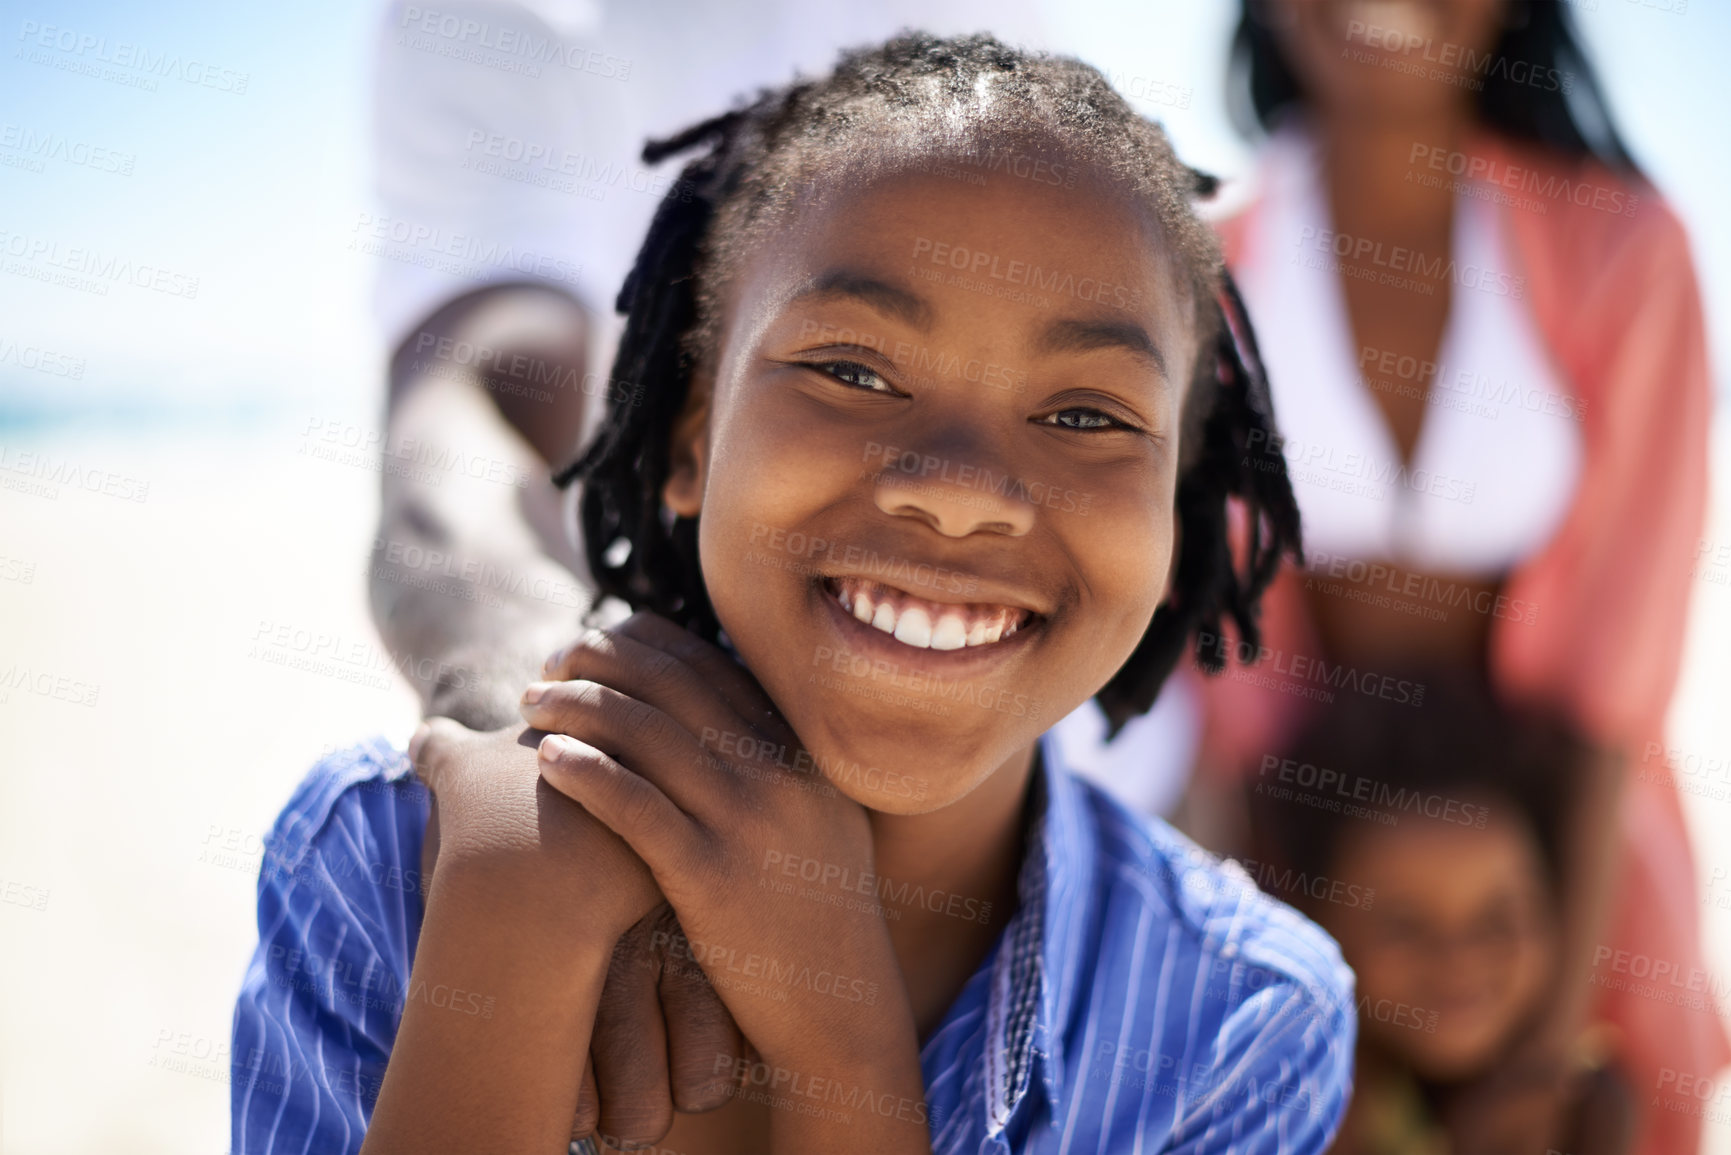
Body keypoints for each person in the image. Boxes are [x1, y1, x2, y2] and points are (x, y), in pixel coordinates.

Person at [232, 33, 1357, 1153]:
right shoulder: (384, 866)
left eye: (1085, 416)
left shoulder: (1237, 1027)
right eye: (852, 371)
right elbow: (449, 424)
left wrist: (842, 1050)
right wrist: (514, 921)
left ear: (1176, 507)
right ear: (689, 436)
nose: (963, 495)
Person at [1182, 3, 1723, 1150]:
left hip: (1573, 866)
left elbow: (1613, 698)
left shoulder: (1629, 250)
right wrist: (1308, 1029)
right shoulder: (1202, 270)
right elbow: (1232, 691)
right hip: (1283, 846)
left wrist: (1538, 1065)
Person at [1246, 673, 1636, 1155]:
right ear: (1314, 918)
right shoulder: (1275, 1113)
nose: (1459, 963)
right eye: (1405, 928)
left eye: (1499, 923)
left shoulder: (1593, 1111)